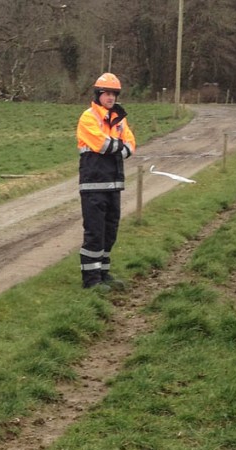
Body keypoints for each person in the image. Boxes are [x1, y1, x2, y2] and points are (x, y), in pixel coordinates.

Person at [77, 72, 137, 292]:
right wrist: (118, 147)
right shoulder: (88, 117)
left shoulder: (120, 119)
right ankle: (91, 281)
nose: (110, 97)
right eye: (106, 93)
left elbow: (131, 145)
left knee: (109, 232)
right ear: (98, 94)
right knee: (94, 232)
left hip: (113, 185)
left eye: (114, 93)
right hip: (93, 184)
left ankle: (103, 273)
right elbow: (100, 144)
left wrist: (118, 147)